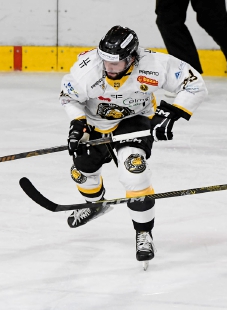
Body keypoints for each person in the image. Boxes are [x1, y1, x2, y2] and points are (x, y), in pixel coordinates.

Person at [59, 25, 208, 267]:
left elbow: (194, 84)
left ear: (131, 57)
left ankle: (144, 232)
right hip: (95, 124)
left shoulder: (154, 65)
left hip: (134, 122)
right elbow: (69, 97)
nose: (108, 68)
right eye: (105, 61)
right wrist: (77, 124)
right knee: (82, 173)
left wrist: (170, 115)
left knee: (134, 171)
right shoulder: (88, 68)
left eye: (115, 63)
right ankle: (96, 205)